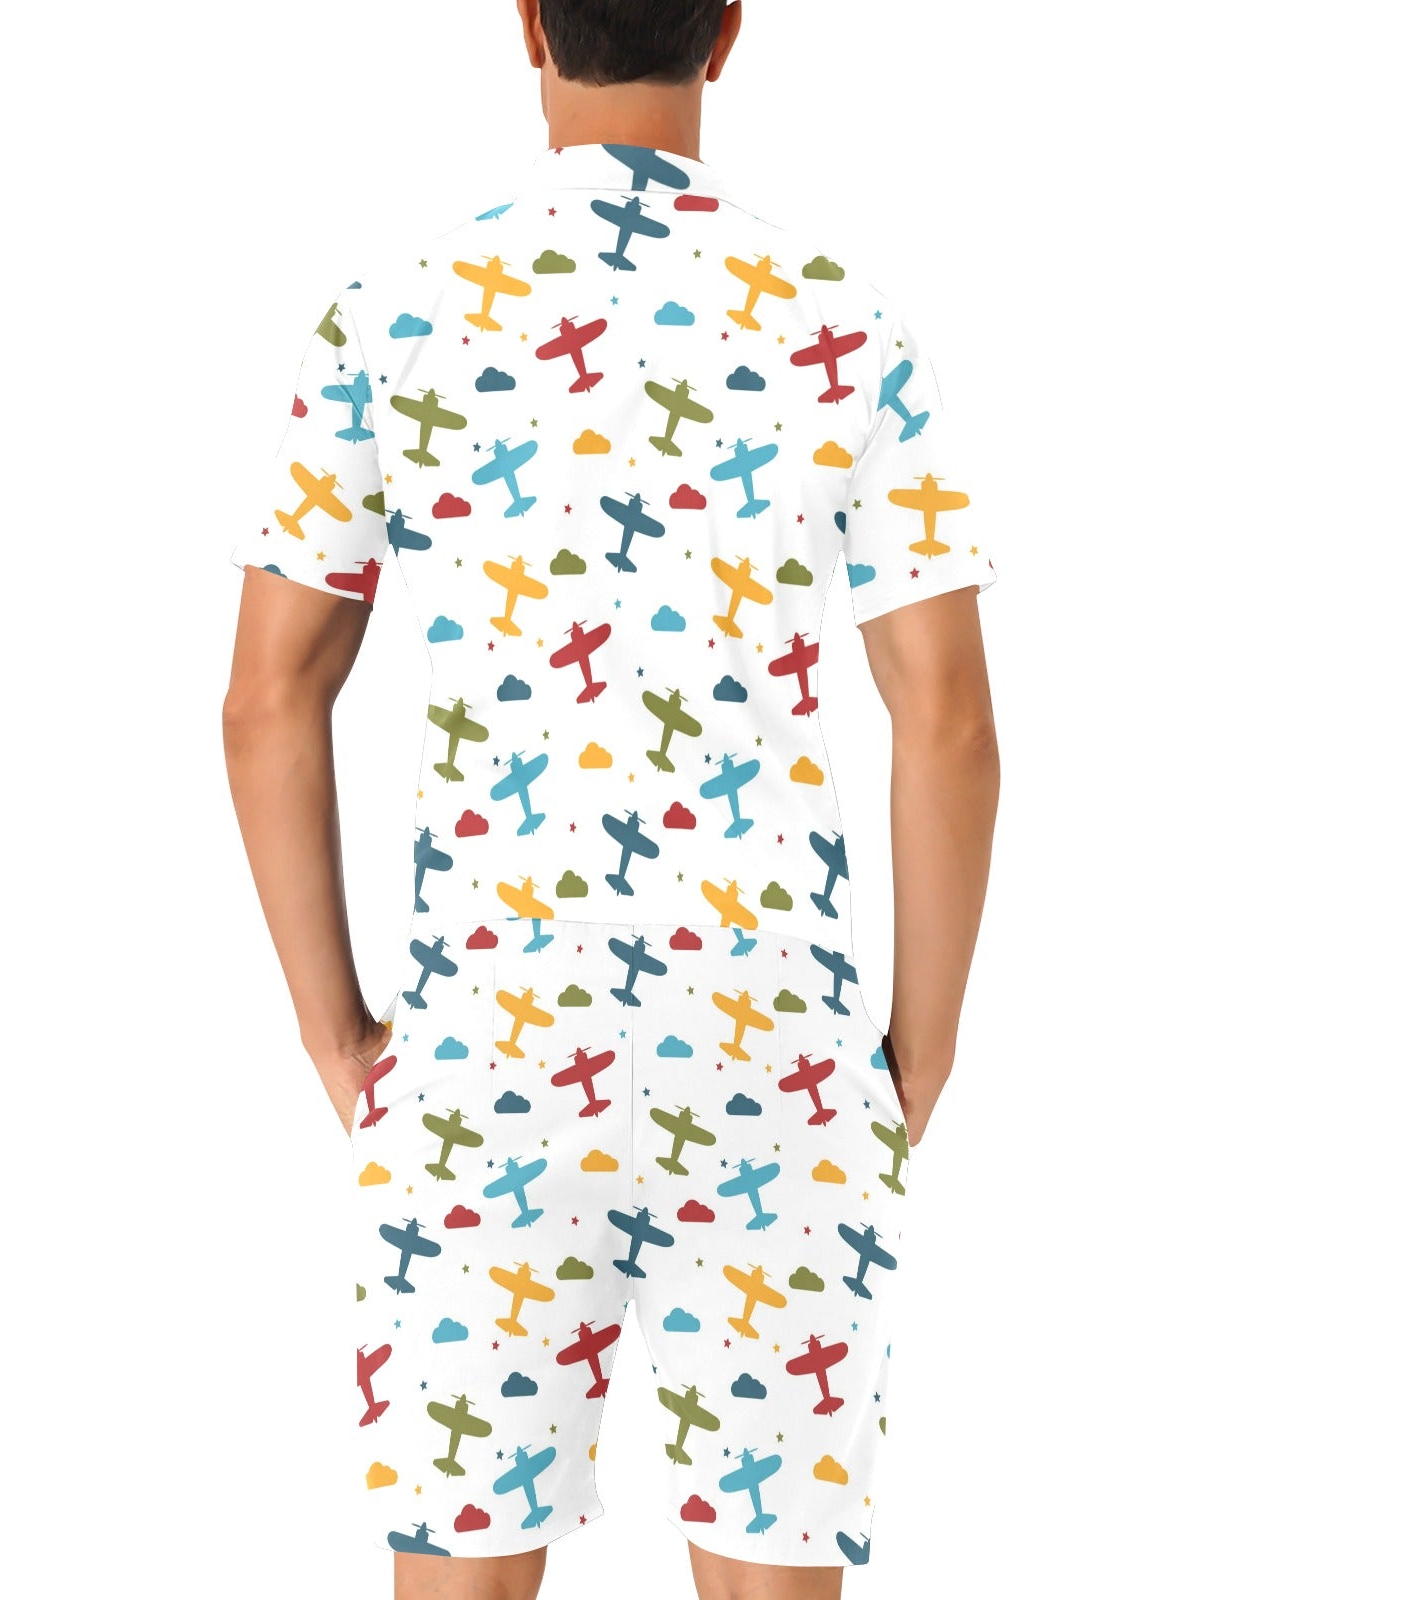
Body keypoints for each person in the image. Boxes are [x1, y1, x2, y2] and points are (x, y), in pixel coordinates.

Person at [222, 3, 999, 1595]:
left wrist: (337, 1038)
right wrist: (917, 1055)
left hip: (486, 1046)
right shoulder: (842, 321)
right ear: (731, 30)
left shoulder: (392, 315)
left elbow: (266, 701)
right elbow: (948, 720)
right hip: (772, 1048)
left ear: (526, 22)